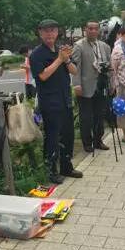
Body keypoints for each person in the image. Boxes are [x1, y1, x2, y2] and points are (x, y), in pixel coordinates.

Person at [30, 19, 83, 184]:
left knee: (68, 135)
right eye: (46, 31)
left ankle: (67, 167)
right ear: (40, 33)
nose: (50, 34)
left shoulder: (61, 50)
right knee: (52, 138)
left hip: (65, 99)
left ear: (57, 32)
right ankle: (51, 171)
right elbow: (43, 76)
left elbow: (74, 71)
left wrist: (66, 59)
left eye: (53, 30)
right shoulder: (36, 54)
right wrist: (60, 59)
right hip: (50, 103)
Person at [72, 21, 112, 153]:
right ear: (85, 29)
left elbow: (109, 66)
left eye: (96, 28)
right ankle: (87, 143)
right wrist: (76, 84)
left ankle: (98, 140)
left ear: (99, 30)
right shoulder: (79, 46)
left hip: (101, 84)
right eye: (90, 28)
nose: (93, 31)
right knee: (86, 117)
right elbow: (76, 67)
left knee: (100, 115)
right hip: (85, 86)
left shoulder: (104, 46)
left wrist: (111, 82)